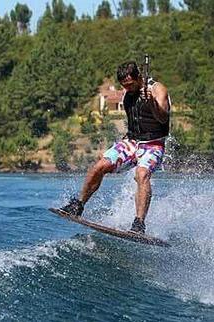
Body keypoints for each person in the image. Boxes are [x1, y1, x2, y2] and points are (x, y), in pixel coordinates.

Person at [59, 61, 171, 234]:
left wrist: (152, 103)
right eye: (124, 86)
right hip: (132, 142)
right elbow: (136, 121)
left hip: (153, 144)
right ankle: (78, 205)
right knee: (99, 166)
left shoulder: (157, 89)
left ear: (138, 77)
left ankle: (139, 224)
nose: (128, 88)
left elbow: (163, 119)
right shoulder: (128, 93)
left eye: (130, 84)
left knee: (141, 174)